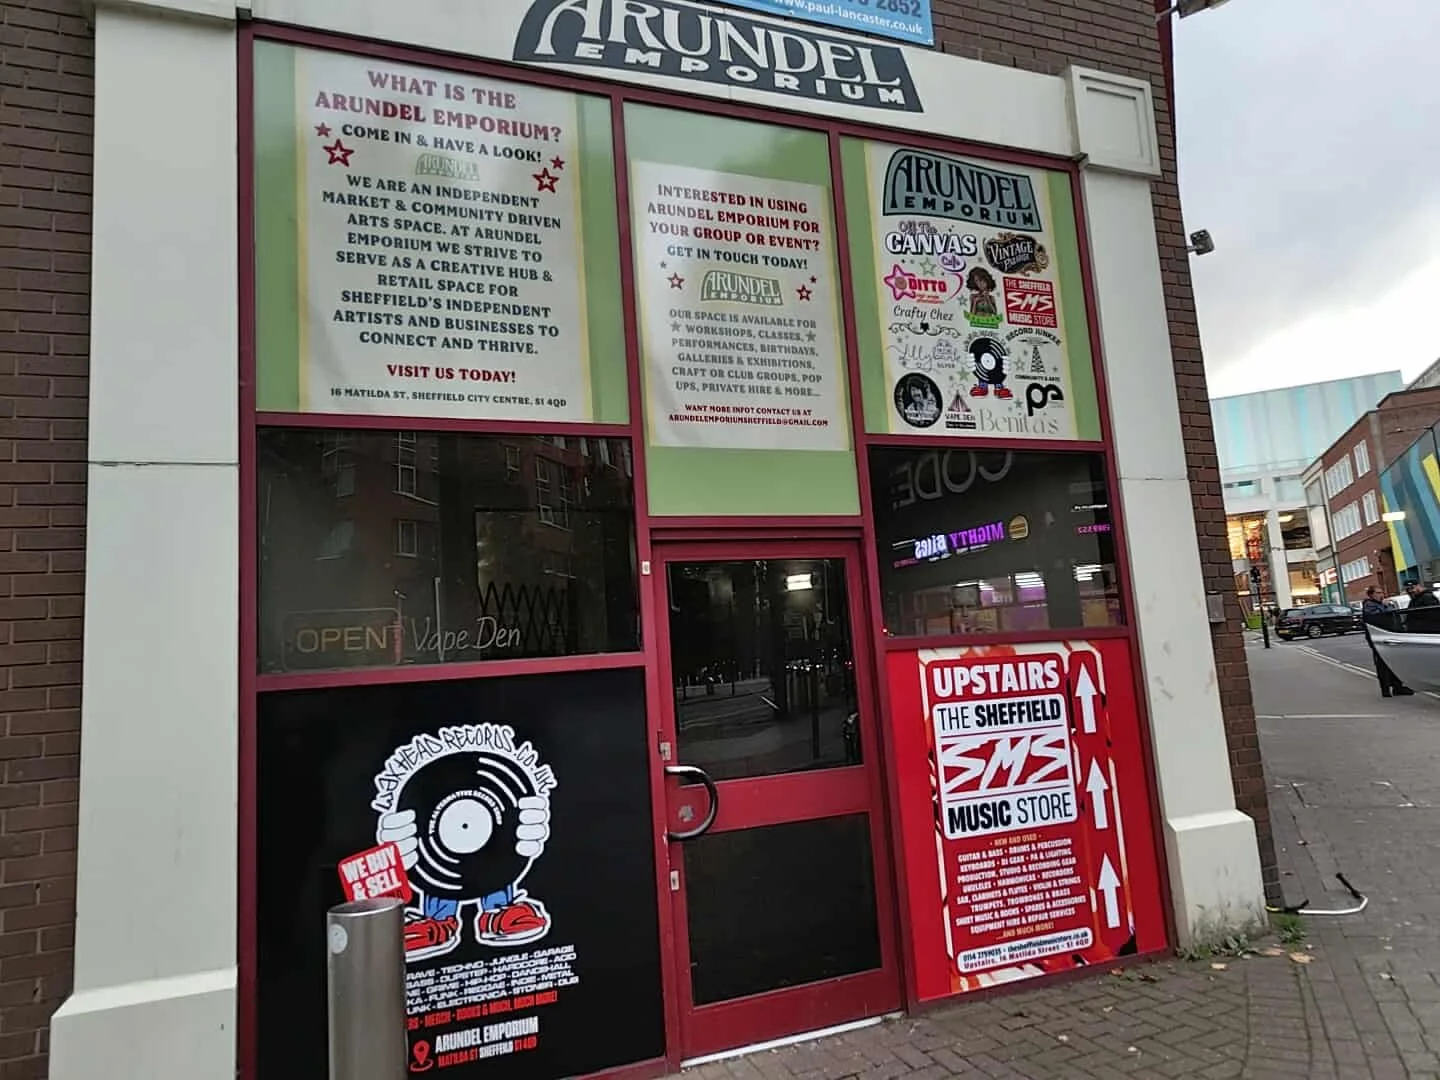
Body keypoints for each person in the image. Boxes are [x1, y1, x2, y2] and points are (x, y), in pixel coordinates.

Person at [1362, 586, 1414, 697]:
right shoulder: (1369, 606)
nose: (1381, 594)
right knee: (1383, 664)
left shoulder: (1382, 604)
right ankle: (1386, 688)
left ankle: (1397, 686)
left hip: (1390, 635)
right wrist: (1387, 607)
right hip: (1380, 637)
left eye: (1382, 592)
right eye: (1378, 592)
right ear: (1371, 594)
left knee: (1396, 662)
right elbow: (1379, 618)